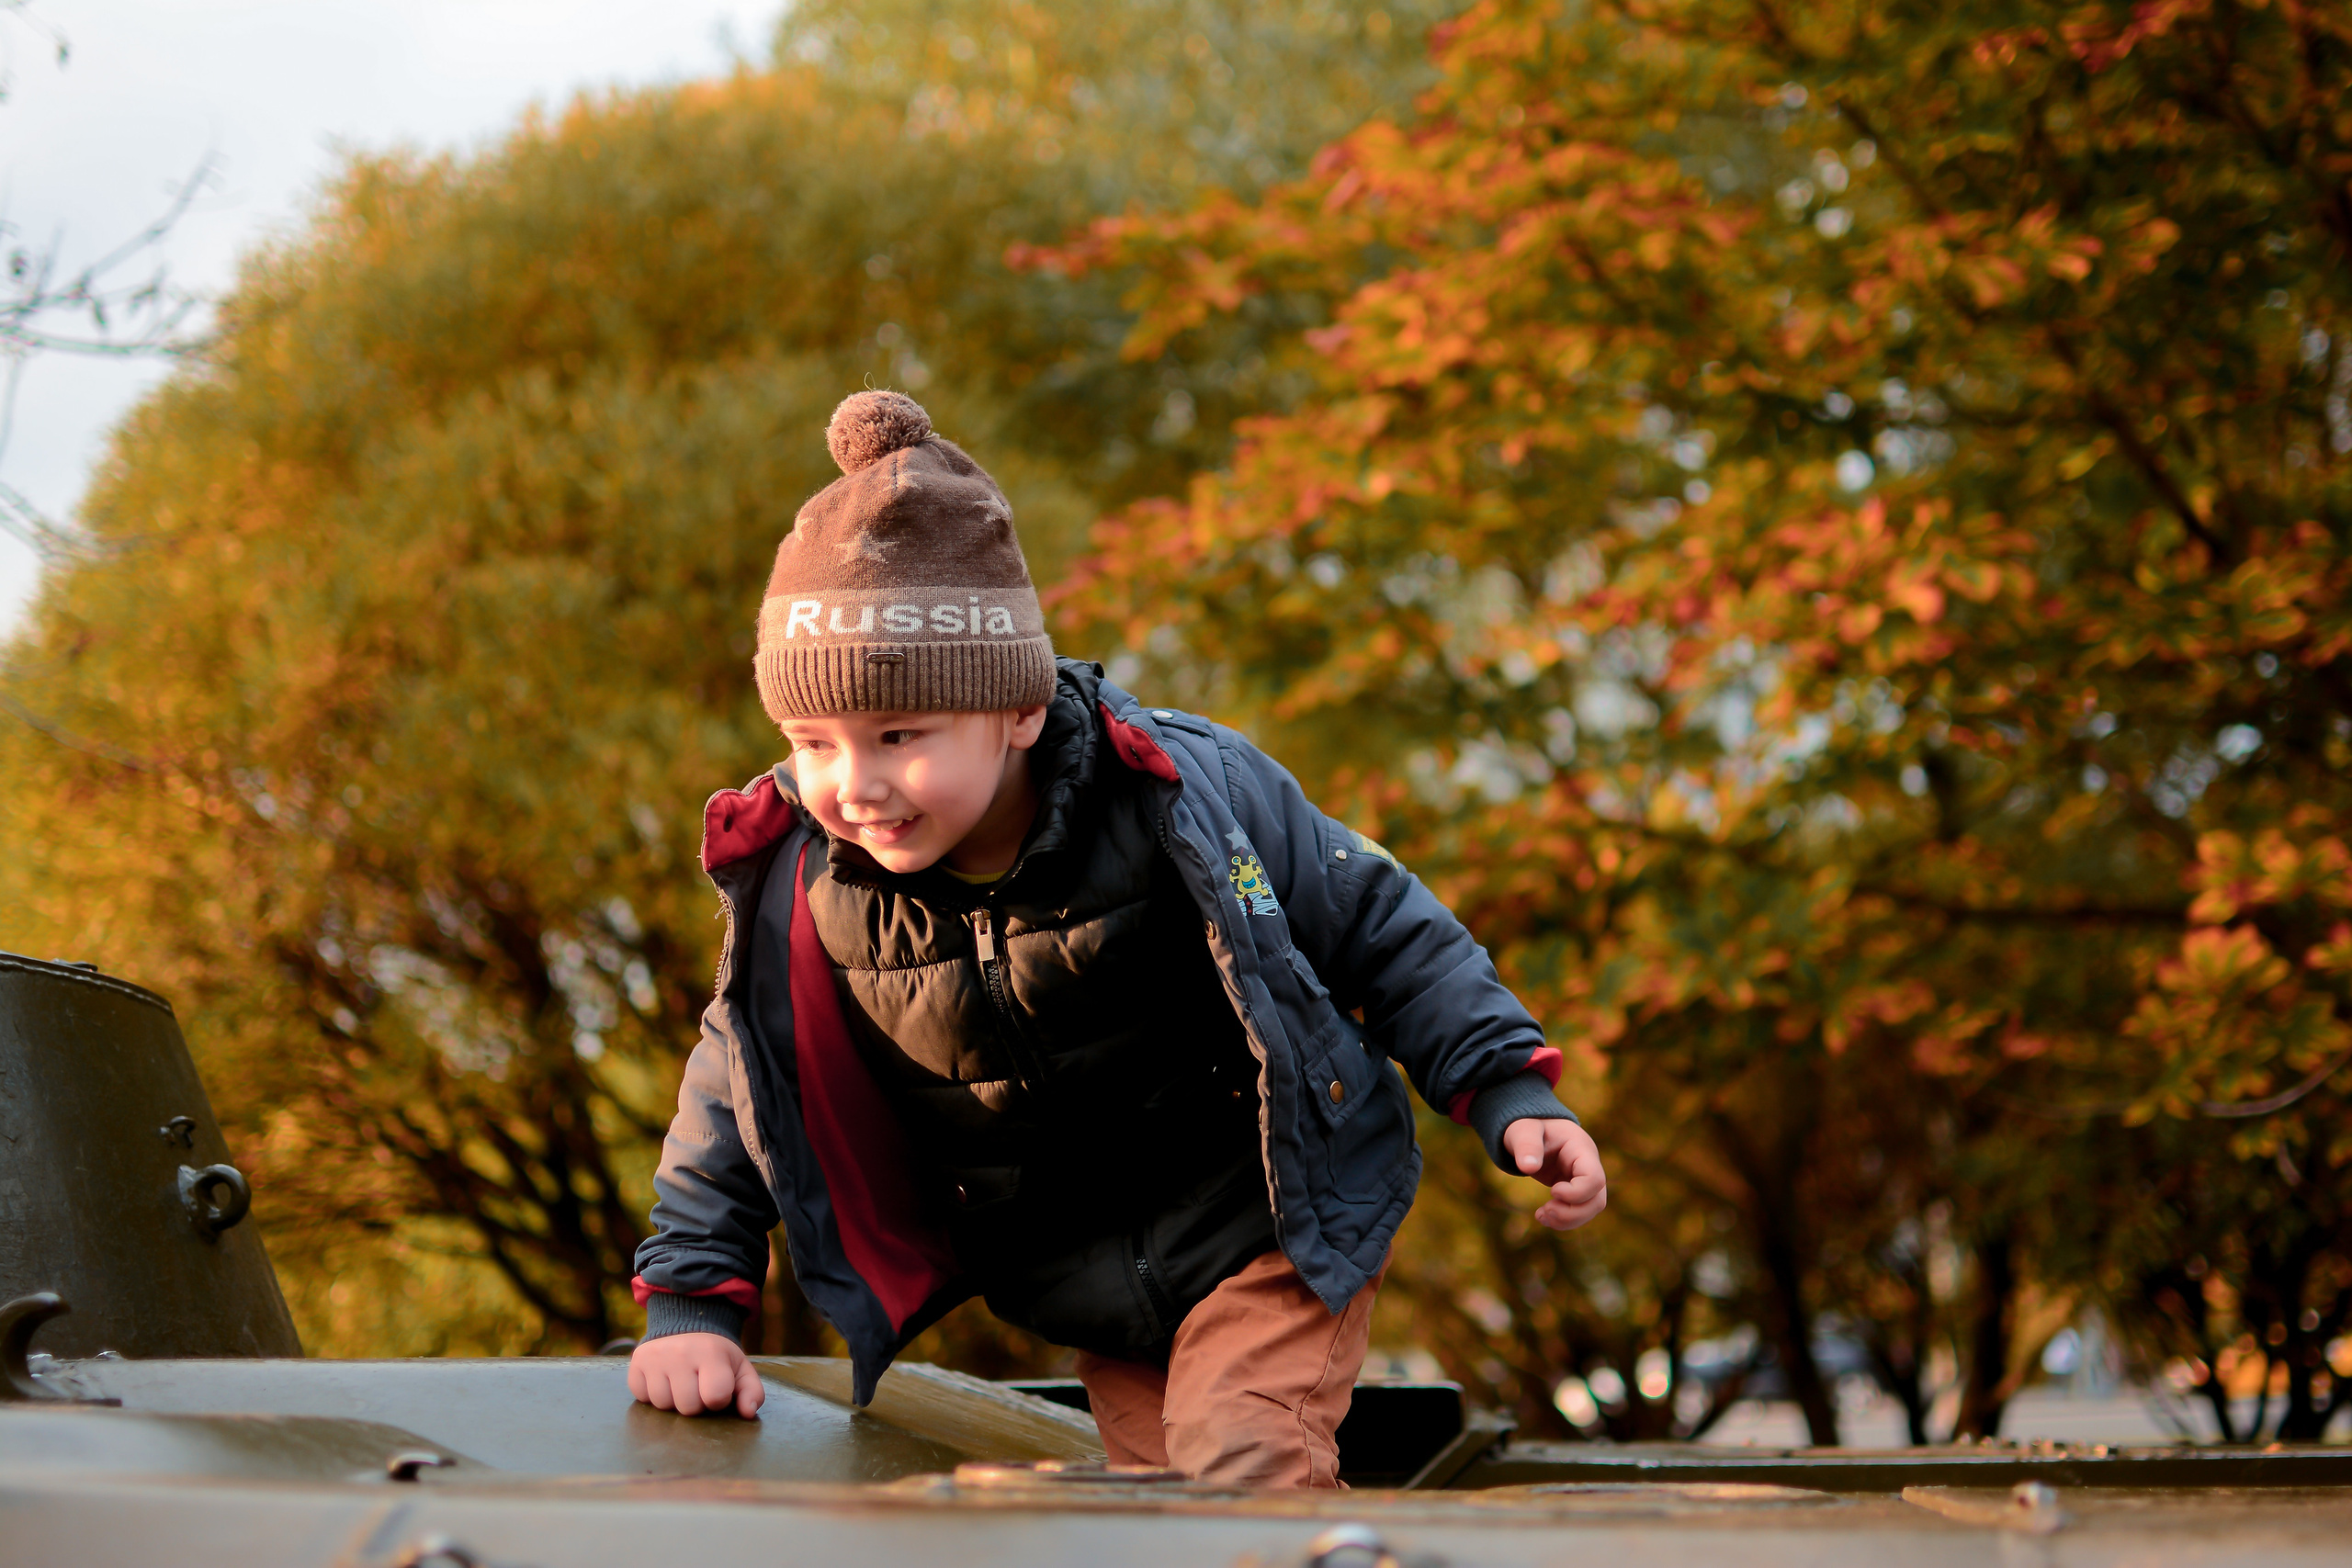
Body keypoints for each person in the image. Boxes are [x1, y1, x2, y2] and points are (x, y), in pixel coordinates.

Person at [626, 390, 1607, 1487]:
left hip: (1266, 1222)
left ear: (1018, 709)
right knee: (1151, 1519)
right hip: (1085, 1275)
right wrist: (690, 1299)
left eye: (899, 736)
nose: (852, 785)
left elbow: (1374, 917)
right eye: (812, 742)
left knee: (1245, 1456)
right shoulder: (815, 886)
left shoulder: (1178, 798)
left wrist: (1506, 1088)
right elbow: (741, 1082)